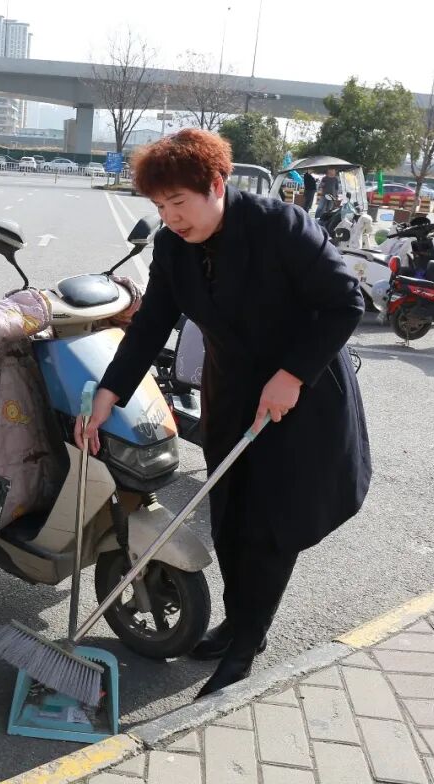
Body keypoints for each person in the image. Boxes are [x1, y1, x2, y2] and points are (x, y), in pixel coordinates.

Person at [74, 129, 371, 699]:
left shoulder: (281, 227)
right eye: (160, 206)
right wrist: (109, 391)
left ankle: (245, 645)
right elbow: (150, 326)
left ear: (216, 185)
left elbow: (344, 302)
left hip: (298, 397)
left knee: (271, 525)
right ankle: (238, 623)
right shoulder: (172, 247)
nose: (171, 217)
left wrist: (292, 375)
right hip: (232, 394)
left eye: (178, 202)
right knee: (231, 516)